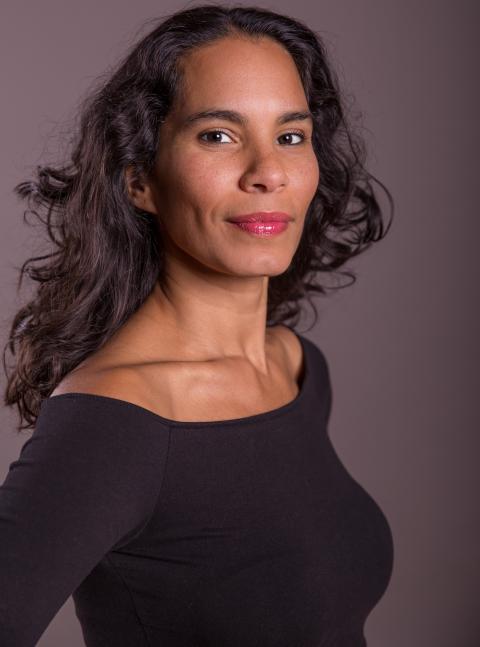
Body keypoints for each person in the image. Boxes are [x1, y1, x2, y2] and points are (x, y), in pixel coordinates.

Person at [0, 4, 394, 646]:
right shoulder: (119, 419)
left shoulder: (295, 367)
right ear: (139, 179)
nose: (268, 171)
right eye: (219, 135)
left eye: (291, 136)